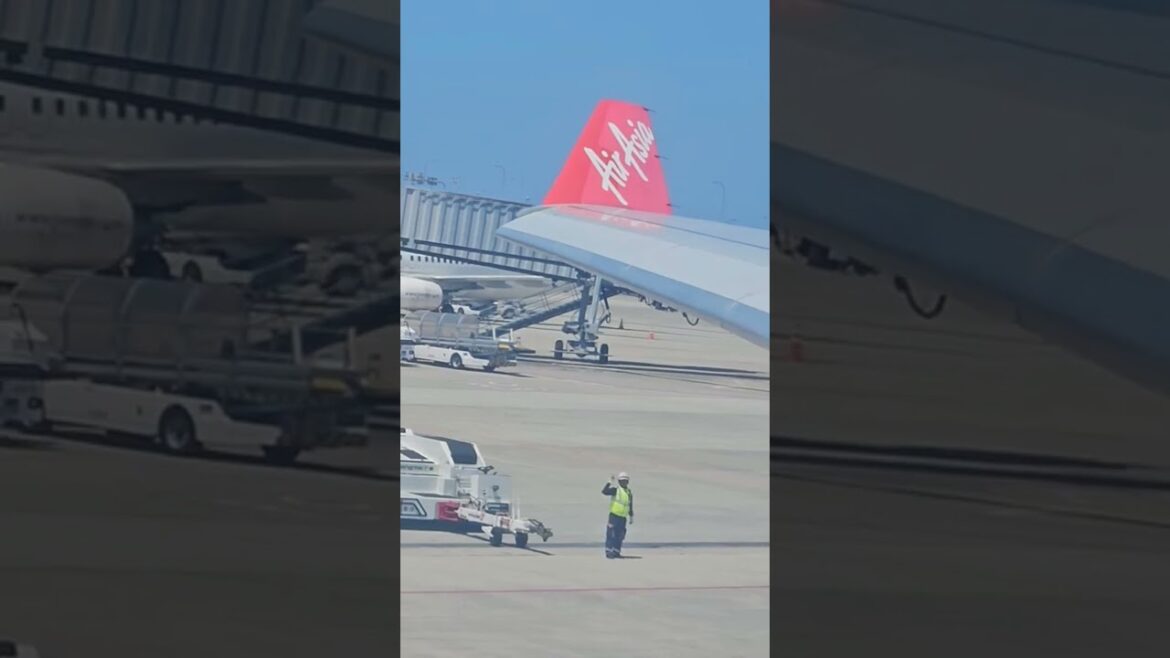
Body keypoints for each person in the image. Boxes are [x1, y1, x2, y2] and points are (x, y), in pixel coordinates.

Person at [602, 472, 634, 558]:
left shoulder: (629, 493)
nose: (624, 482)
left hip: (623, 518)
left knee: (620, 536)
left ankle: (616, 552)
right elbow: (604, 491)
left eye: (625, 481)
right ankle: (609, 552)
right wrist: (609, 482)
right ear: (619, 482)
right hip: (614, 516)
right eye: (622, 481)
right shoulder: (616, 490)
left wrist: (631, 515)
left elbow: (630, 504)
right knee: (611, 534)